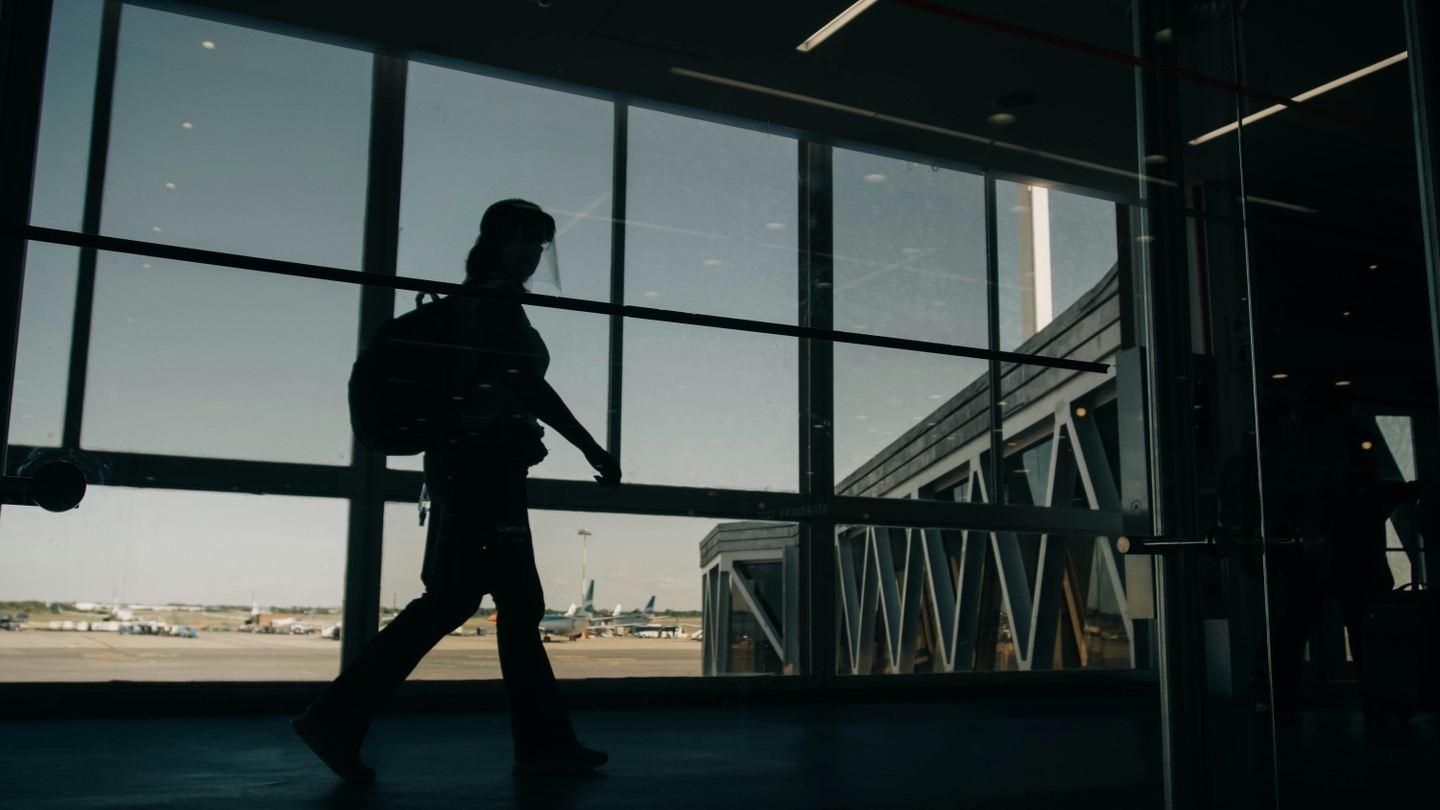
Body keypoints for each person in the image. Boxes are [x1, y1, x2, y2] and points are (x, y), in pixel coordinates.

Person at [293, 199, 621, 782]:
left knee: (457, 601)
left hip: (462, 469)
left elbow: (502, 388)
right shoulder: (494, 302)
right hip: (484, 475)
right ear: (494, 241)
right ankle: (540, 745)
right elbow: (523, 383)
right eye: (521, 238)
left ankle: (337, 719)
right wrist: (590, 447)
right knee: (513, 606)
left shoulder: (471, 304)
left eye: (538, 242)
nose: (530, 251)